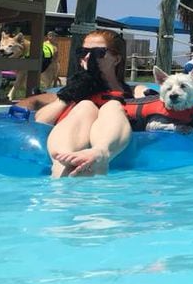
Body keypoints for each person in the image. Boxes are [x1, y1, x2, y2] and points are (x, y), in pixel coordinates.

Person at [35, 30, 133, 178]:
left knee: (112, 106)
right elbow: (41, 121)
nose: (87, 57)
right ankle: (64, 161)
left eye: (98, 53)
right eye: (83, 52)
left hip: (110, 141)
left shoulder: (135, 91)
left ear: (116, 59)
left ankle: (99, 153)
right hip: (73, 136)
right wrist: (70, 94)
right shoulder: (72, 91)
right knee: (85, 106)